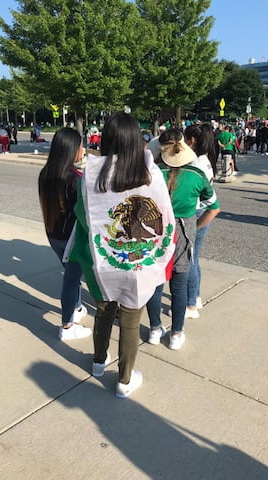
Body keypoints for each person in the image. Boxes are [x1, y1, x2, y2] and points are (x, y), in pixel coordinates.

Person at [65, 112, 176, 398]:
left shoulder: (90, 175)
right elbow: (166, 217)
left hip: (103, 261)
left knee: (103, 311)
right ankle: (125, 380)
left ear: (106, 139)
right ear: (137, 140)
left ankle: (99, 363)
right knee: (130, 318)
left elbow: (82, 215)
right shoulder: (152, 175)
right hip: (139, 263)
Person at [146, 128, 220, 350]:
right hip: (183, 236)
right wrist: (195, 227)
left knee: (155, 286)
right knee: (179, 288)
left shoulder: (151, 174)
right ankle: (176, 334)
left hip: (155, 234)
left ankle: (155, 329)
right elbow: (213, 208)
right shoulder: (196, 176)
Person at [38, 127, 92, 341]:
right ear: (72, 149)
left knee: (72, 275)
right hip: (71, 238)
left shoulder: (46, 173)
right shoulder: (74, 179)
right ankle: (67, 326)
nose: (84, 149)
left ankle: (77, 307)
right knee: (71, 279)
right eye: (81, 145)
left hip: (53, 233)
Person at [183, 124, 218, 319]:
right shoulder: (206, 160)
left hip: (195, 211)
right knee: (194, 258)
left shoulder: (195, 163)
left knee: (189, 260)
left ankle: (190, 304)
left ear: (192, 140)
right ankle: (194, 297)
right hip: (203, 210)